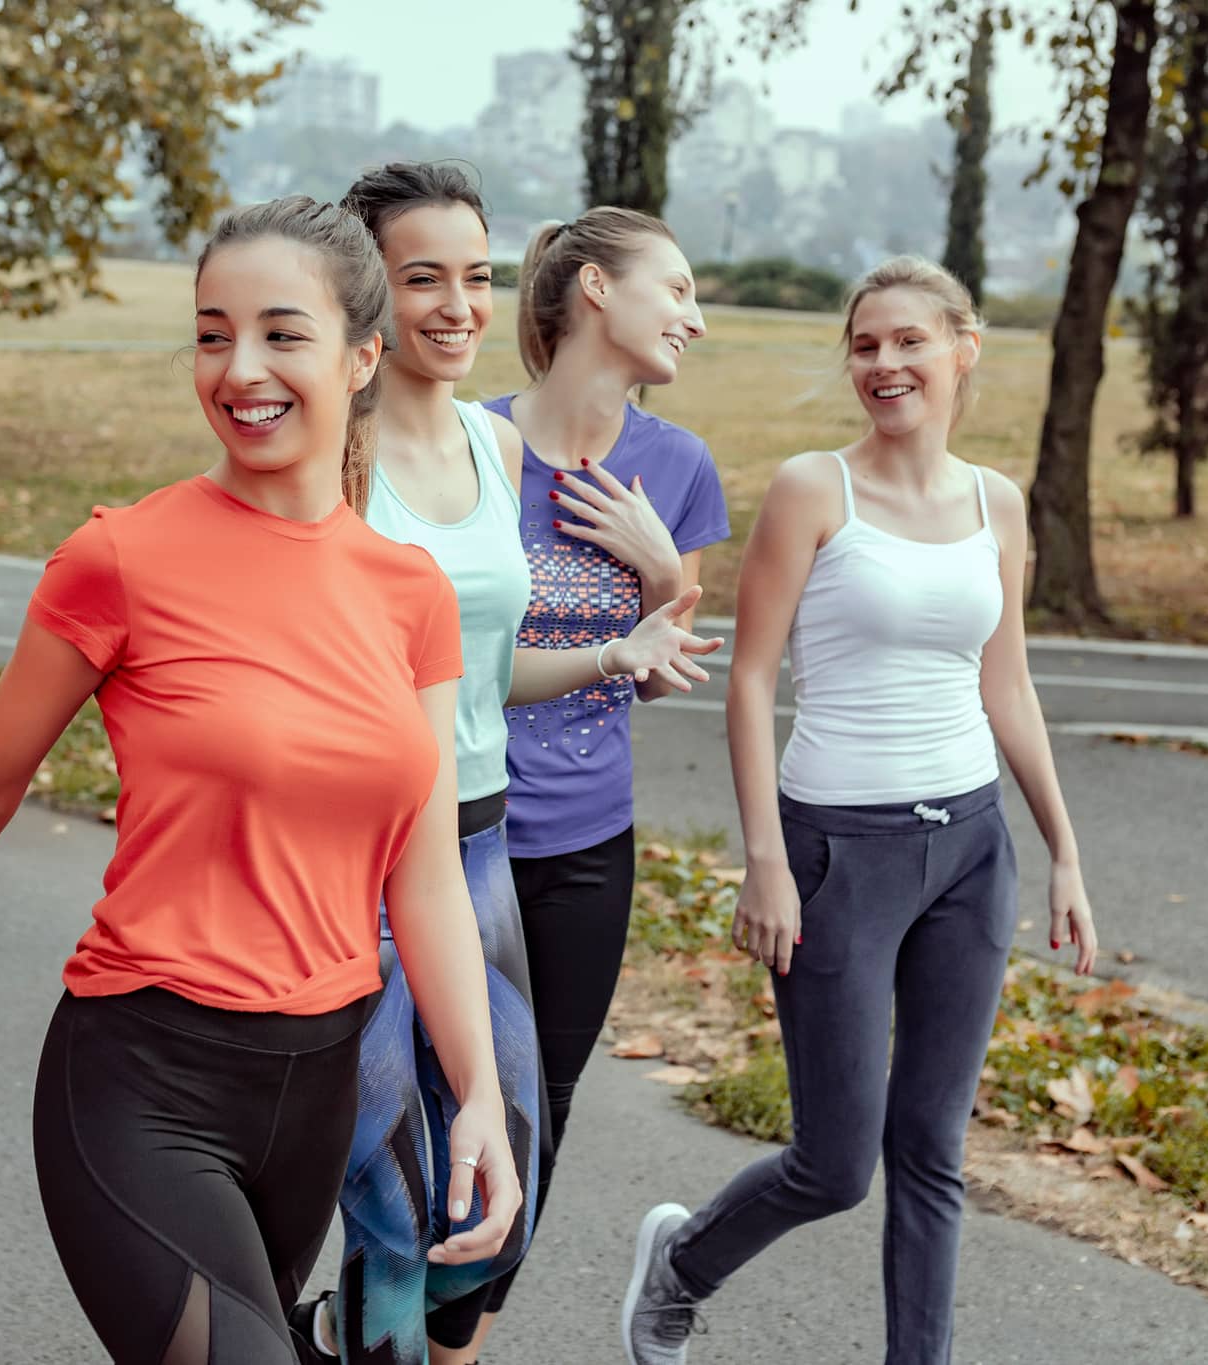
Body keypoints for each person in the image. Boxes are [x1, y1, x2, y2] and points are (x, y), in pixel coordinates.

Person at [0, 195, 525, 1365]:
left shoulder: (408, 591)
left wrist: (475, 1094)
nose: (238, 369)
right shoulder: (120, 558)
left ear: (363, 356)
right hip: (141, 1080)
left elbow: (420, 876)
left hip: (313, 1093)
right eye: (213, 335)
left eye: (279, 333)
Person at [620, 256, 1100, 1365]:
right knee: (836, 1167)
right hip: (837, 852)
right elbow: (750, 680)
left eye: (908, 341)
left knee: (931, 1151)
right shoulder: (812, 490)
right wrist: (764, 860)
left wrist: (1063, 852)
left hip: (970, 852)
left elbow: (1007, 684)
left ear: (961, 352)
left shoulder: (996, 504)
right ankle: (682, 1263)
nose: (884, 364)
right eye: (865, 345)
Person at [293, 170, 720, 1365]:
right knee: (384, 1184)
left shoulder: (494, 448)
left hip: (492, 847)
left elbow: (475, 671)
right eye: (420, 277)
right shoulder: (332, 455)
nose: (454, 303)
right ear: (364, 291)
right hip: (369, 855)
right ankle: (353, 1335)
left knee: (503, 1173)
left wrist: (623, 636)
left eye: (472, 276)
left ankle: (368, 1340)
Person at [473, 207, 733, 1362]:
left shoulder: (675, 468)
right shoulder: (472, 444)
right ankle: (369, 1316)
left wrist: (657, 565)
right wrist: (615, 641)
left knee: (541, 1110)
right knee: (428, 1099)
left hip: (586, 845)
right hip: (454, 831)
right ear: (592, 289)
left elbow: (665, 669)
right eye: (673, 288)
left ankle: (455, 1338)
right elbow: (431, 657)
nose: (693, 317)